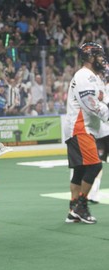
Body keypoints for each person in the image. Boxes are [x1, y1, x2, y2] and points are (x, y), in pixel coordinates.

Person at [64, 42, 109, 224]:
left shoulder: (92, 76)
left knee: (80, 170)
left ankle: (72, 209)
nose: (101, 58)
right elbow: (91, 103)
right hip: (80, 127)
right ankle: (81, 206)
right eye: (98, 55)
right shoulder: (84, 75)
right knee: (95, 166)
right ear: (89, 57)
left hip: (81, 126)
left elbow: (102, 98)